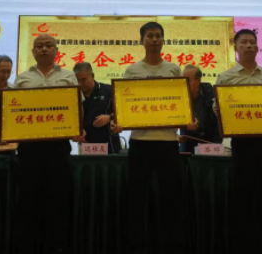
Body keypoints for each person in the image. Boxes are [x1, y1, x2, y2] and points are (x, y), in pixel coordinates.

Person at [112, 21, 197, 254]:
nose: (154, 39)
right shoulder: (132, 70)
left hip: (168, 142)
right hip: (140, 142)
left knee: (172, 199)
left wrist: (187, 120)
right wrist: (119, 121)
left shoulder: (173, 69)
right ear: (142, 40)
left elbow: (180, 103)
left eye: (158, 35)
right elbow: (124, 104)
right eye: (149, 36)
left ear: (163, 40)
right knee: (137, 199)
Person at [215, 28, 262, 254]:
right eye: (244, 42)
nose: (248, 46)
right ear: (235, 47)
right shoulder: (226, 77)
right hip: (242, 143)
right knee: (244, 197)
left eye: (252, 42)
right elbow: (217, 108)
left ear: (258, 47)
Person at [13, 34, 83, 254]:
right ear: (33, 51)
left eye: (49, 45)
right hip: (29, 148)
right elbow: (13, 111)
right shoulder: (22, 78)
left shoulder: (68, 76)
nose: (44, 49)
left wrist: (77, 128)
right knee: (29, 200)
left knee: (58, 199)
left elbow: (77, 108)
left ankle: (57, 246)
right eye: (39, 46)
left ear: (56, 51)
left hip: (58, 148)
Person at [73, 61, 120, 154]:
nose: (80, 83)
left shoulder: (109, 90)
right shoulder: (73, 95)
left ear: (92, 76)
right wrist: (76, 130)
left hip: (110, 145)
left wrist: (109, 117)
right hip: (85, 146)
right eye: (77, 80)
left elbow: (124, 112)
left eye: (83, 80)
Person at [180, 64, 221, 153]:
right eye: (183, 80)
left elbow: (217, 120)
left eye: (188, 80)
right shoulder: (180, 97)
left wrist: (217, 142)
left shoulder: (211, 94)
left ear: (198, 81)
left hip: (210, 140)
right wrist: (187, 125)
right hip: (189, 141)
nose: (185, 84)